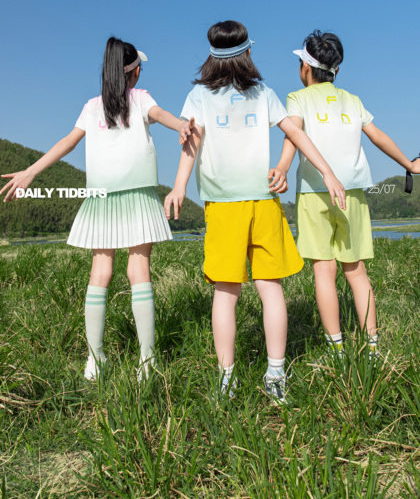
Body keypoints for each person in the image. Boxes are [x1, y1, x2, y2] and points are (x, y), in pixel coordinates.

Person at [164, 20, 346, 404]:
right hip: (263, 202)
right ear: (248, 52)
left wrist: (180, 186)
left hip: (223, 206)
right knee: (270, 288)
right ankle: (276, 373)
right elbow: (295, 134)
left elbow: (190, 143)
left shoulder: (199, 96)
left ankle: (227, 379)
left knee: (225, 293)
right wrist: (327, 171)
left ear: (212, 57)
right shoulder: (263, 92)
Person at [1, 36, 194, 381]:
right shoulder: (140, 98)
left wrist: (31, 172)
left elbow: (67, 142)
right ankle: (147, 361)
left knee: (100, 273)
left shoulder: (92, 107)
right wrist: (181, 125)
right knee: (139, 271)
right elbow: (161, 115)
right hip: (138, 194)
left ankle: (95, 360)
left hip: (100, 197)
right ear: (134, 72)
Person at [277, 30, 420, 362]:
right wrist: (409, 164)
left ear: (305, 67)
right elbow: (377, 136)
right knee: (356, 271)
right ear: (336, 69)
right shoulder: (352, 100)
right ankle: (373, 348)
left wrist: (282, 167)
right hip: (352, 193)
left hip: (314, 192)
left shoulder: (297, 98)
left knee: (324, 271)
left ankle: (336, 349)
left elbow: (292, 134)